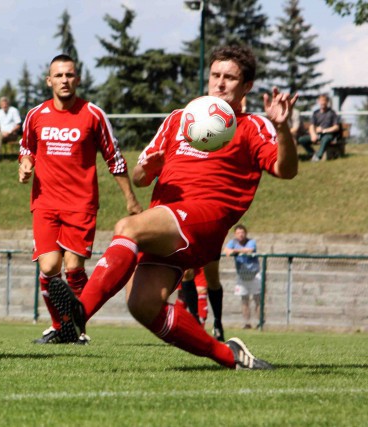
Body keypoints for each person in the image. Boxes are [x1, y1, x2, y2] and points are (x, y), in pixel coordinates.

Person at [48, 45, 298, 370]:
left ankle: (79, 314)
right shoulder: (180, 118)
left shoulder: (252, 125)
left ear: (246, 86)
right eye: (216, 75)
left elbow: (287, 170)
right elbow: (139, 178)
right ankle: (229, 356)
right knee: (142, 305)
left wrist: (282, 129)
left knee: (128, 226)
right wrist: (149, 169)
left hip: (205, 217)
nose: (220, 83)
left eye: (231, 78)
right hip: (166, 222)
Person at [18, 54, 143, 344]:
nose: (64, 80)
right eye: (58, 76)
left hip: (81, 204)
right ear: (49, 80)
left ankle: (76, 328)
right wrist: (25, 163)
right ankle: (59, 326)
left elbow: (114, 157)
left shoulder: (93, 114)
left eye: (69, 75)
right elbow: (27, 147)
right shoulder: (36, 115)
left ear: (78, 79)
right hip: (45, 202)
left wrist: (130, 200)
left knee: (74, 268)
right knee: (49, 267)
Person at [224, 224, 261, 329]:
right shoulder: (233, 242)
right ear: (235, 234)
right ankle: (246, 323)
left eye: (242, 232)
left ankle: (260, 322)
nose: (241, 235)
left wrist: (235, 251)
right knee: (244, 300)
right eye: (238, 233)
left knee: (257, 299)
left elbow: (249, 250)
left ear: (246, 233)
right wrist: (231, 251)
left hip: (254, 275)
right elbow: (226, 251)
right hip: (242, 276)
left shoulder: (251, 242)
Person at [297, 94, 341, 162]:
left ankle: (318, 156)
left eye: (324, 101)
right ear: (319, 102)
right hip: (317, 134)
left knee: (325, 139)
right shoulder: (315, 113)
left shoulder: (332, 113)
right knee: (301, 140)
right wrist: (313, 134)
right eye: (321, 101)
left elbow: (336, 127)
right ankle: (312, 154)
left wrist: (325, 130)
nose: (323, 102)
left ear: (327, 102)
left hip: (328, 134)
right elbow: (311, 126)